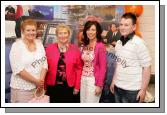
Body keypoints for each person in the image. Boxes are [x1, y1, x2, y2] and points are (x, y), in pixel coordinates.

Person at [110, 12, 152, 103]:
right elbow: (118, 64)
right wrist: (114, 81)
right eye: (121, 24)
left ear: (134, 27)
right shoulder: (118, 43)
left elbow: (147, 67)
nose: (122, 27)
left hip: (132, 90)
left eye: (126, 25)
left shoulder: (139, 43)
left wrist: (143, 90)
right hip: (118, 86)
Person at [9, 19, 48, 103]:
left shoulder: (39, 44)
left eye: (33, 30)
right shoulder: (16, 46)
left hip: (38, 88)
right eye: (28, 30)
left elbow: (44, 63)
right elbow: (18, 69)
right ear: (23, 31)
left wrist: (40, 82)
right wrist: (36, 81)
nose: (31, 32)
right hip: (22, 89)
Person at [45, 23, 83, 103]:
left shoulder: (75, 49)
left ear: (69, 34)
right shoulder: (49, 49)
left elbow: (79, 69)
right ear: (57, 35)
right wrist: (43, 85)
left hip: (69, 86)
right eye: (60, 33)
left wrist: (77, 86)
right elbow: (45, 68)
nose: (63, 35)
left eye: (65, 33)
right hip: (52, 86)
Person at [80, 21, 106, 103]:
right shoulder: (85, 44)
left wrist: (99, 85)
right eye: (88, 29)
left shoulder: (100, 46)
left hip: (93, 80)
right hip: (83, 79)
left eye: (93, 30)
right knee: (82, 102)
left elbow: (103, 67)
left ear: (97, 31)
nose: (90, 32)